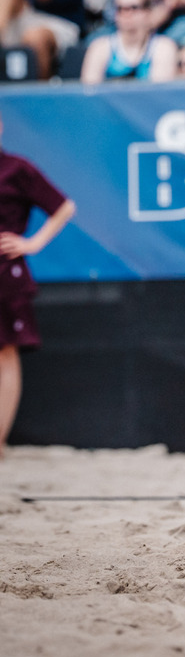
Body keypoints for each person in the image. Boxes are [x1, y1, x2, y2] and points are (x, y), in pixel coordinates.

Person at [0, 110, 76, 455]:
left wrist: (31, 243)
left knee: (5, 353)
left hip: (6, 276)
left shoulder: (16, 169)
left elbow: (64, 207)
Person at [80, 0, 177, 82]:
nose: (126, 13)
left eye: (133, 8)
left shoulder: (163, 47)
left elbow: (160, 93)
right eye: (120, 8)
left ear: (147, 12)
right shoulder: (99, 47)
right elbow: (89, 92)